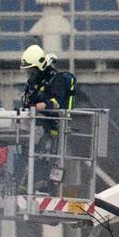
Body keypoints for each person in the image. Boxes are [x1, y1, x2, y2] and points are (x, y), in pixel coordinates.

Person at [19, 45, 77, 192]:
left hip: (52, 128)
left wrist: (44, 104)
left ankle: (43, 184)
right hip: (34, 126)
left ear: (40, 66)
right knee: (22, 152)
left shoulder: (57, 80)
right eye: (29, 71)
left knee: (44, 151)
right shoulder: (34, 84)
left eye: (32, 70)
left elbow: (57, 102)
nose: (30, 74)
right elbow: (26, 101)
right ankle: (22, 183)